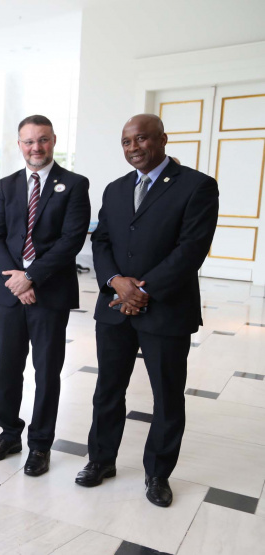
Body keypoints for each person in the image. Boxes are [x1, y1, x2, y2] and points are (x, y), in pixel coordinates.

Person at [76, 114, 218, 507]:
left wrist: (143, 290)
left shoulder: (197, 186)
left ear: (162, 139)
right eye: (126, 142)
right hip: (114, 307)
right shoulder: (116, 188)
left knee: (167, 396)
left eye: (141, 139)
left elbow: (191, 249)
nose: (133, 148)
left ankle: (158, 473)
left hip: (166, 309)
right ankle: (101, 460)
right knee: (108, 389)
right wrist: (115, 281)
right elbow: (102, 241)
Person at [0, 115, 90, 476]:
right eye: (28, 141)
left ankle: (40, 445)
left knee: (46, 372)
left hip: (50, 293)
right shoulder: (8, 184)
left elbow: (71, 240)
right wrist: (15, 280)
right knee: (8, 368)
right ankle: (9, 434)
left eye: (42, 139)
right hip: (11, 294)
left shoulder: (74, 184)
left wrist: (31, 278)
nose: (36, 147)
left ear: (54, 140)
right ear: (19, 145)